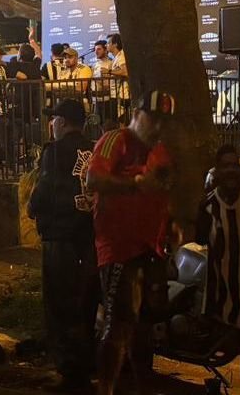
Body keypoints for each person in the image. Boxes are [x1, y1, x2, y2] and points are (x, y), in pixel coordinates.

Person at [86, 91, 176, 395]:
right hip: (119, 247)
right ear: (136, 114)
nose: (158, 126)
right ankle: (106, 388)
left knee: (145, 326)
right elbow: (93, 180)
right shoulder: (117, 140)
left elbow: (163, 193)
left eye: (164, 121)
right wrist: (135, 184)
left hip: (151, 248)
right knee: (119, 322)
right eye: (153, 118)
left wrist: (171, 225)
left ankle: (142, 386)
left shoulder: (161, 152)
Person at [28, 98, 98, 392]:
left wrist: (32, 207)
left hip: (60, 239)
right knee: (86, 304)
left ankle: (70, 372)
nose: (51, 124)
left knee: (60, 306)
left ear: (63, 122)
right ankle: (87, 363)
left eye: (54, 118)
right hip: (90, 239)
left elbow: (44, 188)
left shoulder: (54, 151)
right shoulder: (94, 149)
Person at [195, 146, 240, 331]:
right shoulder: (207, 206)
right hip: (219, 294)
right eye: (225, 166)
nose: (231, 171)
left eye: (234, 165)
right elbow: (201, 239)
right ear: (217, 170)